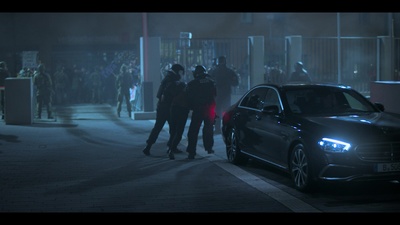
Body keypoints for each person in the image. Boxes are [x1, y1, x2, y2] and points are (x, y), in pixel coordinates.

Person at [142, 64, 185, 156]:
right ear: (177, 71)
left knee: (158, 127)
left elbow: (159, 95)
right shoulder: (172, 80)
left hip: (161, 107)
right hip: (169, 108)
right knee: (173, 128)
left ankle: (148, 146)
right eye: (181, 72)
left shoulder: (167, 78)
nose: (181, 75)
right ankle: (171, 148)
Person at [185, 65, 217, 159]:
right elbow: (215, 95)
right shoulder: (211, 82)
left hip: (198, 109)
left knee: (193, 131)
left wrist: (191, 108)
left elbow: (188, 98)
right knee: (209, 129)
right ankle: (209, 148)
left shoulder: (192, 84)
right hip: (210, 109)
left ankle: (191, 151)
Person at [209, 56, 239, 134]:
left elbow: (209, 81)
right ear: (225, 62)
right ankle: (226, 127)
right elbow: (236, 83)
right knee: (226, 112)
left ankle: (217, 129)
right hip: (226, 94)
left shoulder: (214, 71)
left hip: (217, 95)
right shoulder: (229, 71)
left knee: (217, 112)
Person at [165, 78, 190, 160]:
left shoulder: (175, 95)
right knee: (179, 132)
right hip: (182, 111)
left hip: (173, 109)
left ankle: (170, 147)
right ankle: (171, 149)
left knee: (173, 130)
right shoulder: (185, 94)